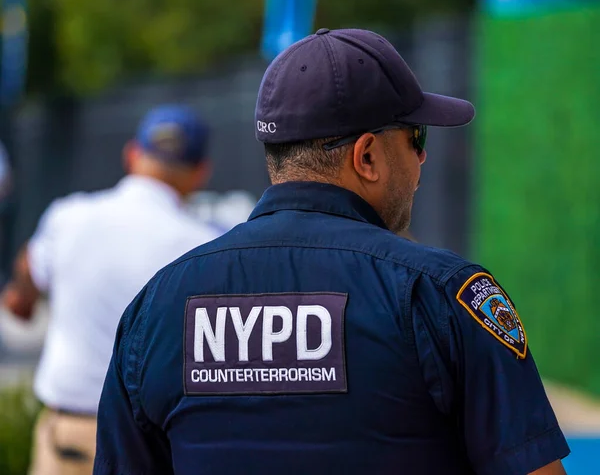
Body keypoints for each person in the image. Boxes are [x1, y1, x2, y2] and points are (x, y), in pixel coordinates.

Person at [94, 29, 570, 475]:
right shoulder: (442, 295)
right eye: (415, 138)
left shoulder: (156, 306)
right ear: (366, 157)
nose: (421, 158)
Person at [0, 104, 223, 475]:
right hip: (157, 444)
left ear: (132, 154)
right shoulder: (206, 244)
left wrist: (20, 295)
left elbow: (24, 287)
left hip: (70, 436)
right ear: (200, 172)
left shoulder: (68, 217)